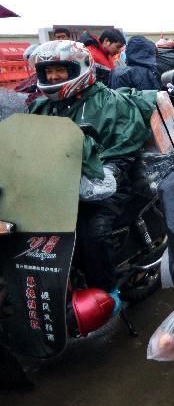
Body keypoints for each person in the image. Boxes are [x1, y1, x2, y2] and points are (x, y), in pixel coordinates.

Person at [29, 40, 153, 293]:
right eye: (47, 71)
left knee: (93, 232)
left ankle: (105, 292)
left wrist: (106, 174)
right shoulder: (41, 107)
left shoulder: (110, 102)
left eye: (60, 70)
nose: (53, 76)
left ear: (78, 68)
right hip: (54, 187)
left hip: (104, 185)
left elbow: (125, 146)